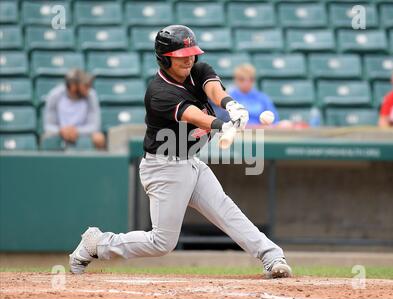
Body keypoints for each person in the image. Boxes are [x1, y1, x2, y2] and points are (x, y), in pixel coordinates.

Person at [69, 25, 292, 279]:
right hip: (164, 167)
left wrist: (232, 105)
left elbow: (214, 90)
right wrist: (222, 125)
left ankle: (272, 256)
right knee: (161, 242)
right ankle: (96, 244)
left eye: (191, 53)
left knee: (226, 210)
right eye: (180, 55)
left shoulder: (197, 69)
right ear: (165, 59)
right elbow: (195, 116)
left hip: (189, 162)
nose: (189, 59)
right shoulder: (159, 93)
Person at [43, 69, 106, 149]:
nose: (88, 89)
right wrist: (61, 131)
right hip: (60, 133)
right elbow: (48, 126)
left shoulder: (91, 96)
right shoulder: (54, 95)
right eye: (85, 86)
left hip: (82, 134)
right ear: (73, 86)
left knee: (99, 138)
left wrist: (76, 131)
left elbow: (94, 126)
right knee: (46, 138)